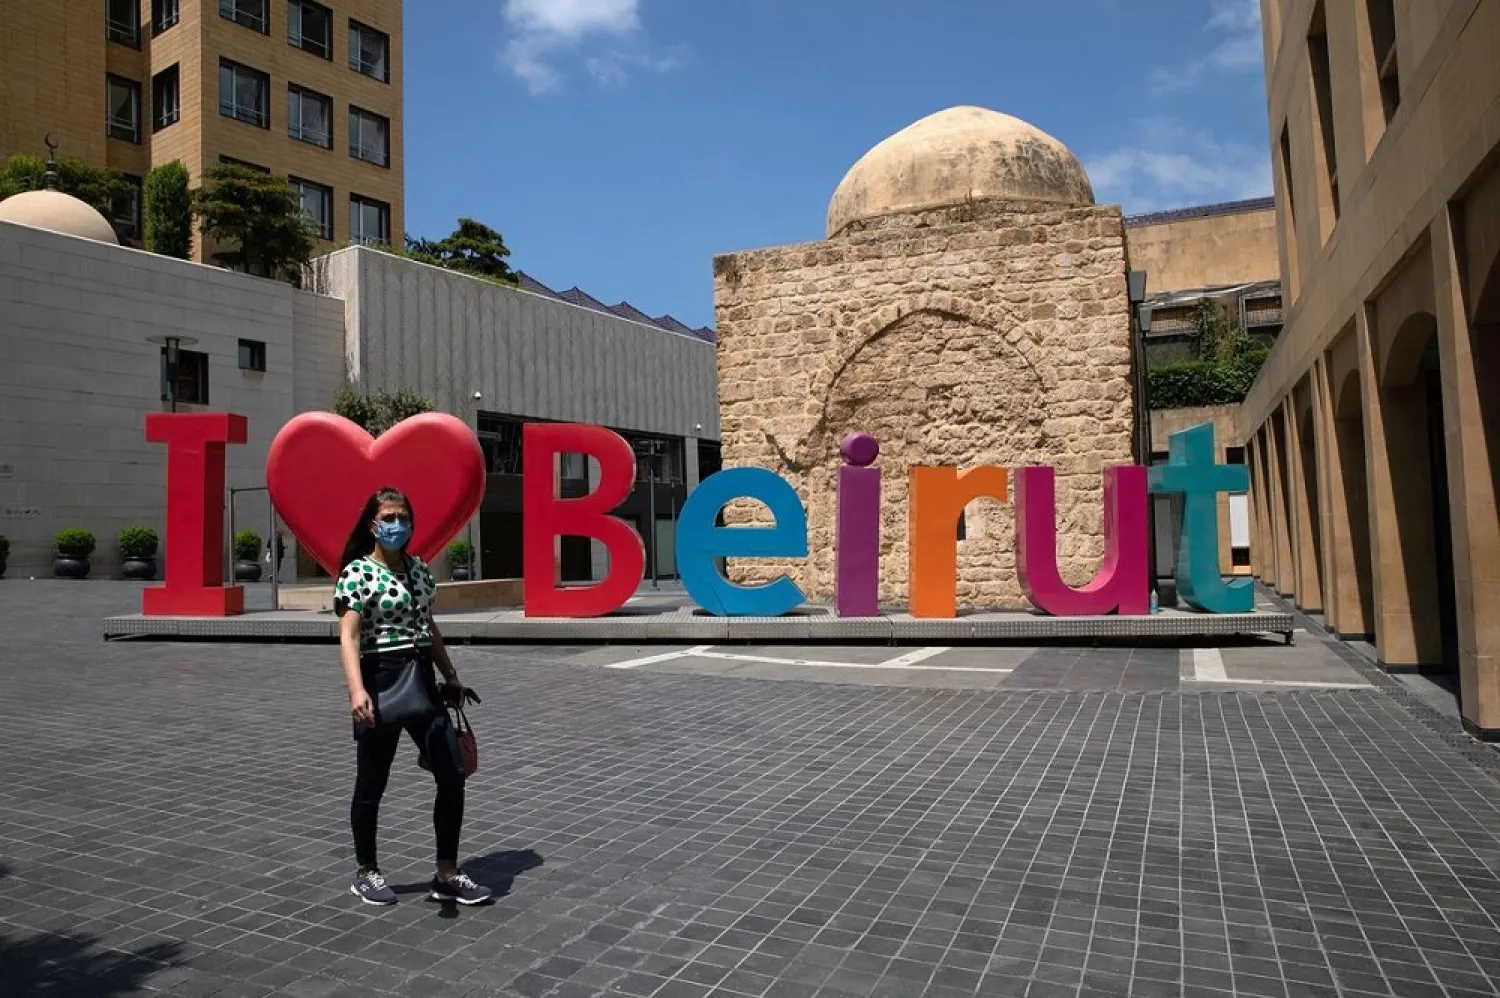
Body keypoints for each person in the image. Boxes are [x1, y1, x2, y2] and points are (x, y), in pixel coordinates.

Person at [334, 486, 491, 907]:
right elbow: (348, 636)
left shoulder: (420, 570)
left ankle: (447, 872)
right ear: (372, 524)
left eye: (403, 517)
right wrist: (356, 690)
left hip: (421, 679)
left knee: (452, 773)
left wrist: (451, 675)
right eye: (388, 517)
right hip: (380, 679)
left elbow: (428, 626)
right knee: (372, 782)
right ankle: (367, 871)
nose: (396, 525)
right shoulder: (357, 573)